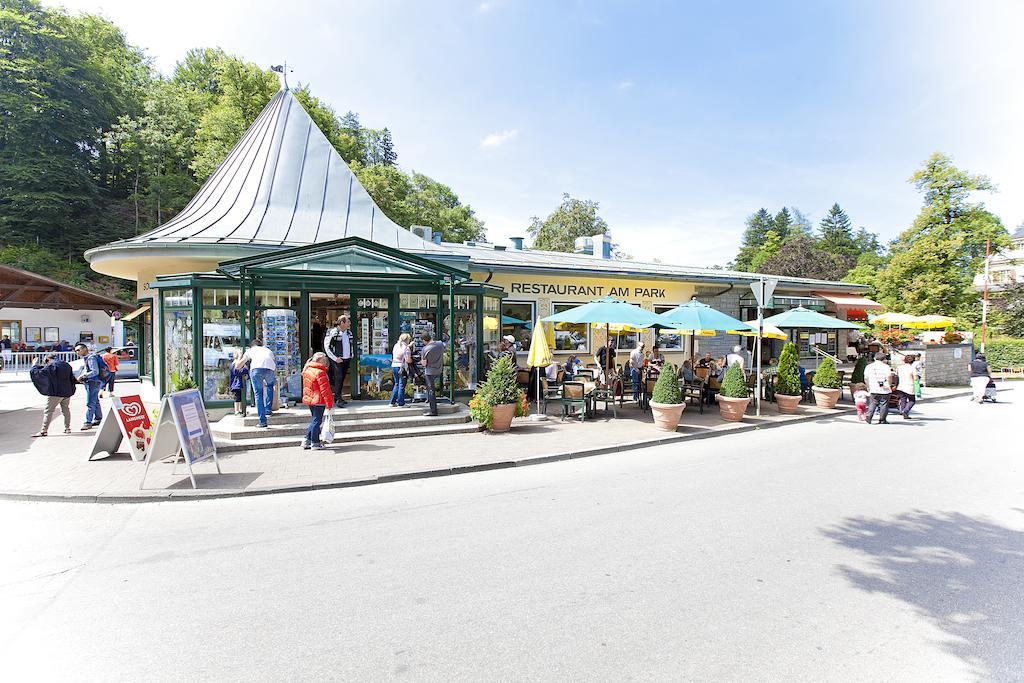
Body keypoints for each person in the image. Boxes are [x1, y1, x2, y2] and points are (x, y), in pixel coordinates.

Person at [31, 353, 76, 437]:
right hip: (67, 392)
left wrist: (34, 365)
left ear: (48, 359)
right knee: (65, 410)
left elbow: (39, 373)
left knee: (48, 411)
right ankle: (67, 428)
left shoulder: (52, 365)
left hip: (55, 393)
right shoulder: (66, 364)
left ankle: (44, 430)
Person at [234, 338, 276, 428]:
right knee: (269, 387)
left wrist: (239, 356)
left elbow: (238, 366)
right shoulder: (267, 350)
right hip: (270, 368)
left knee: (258, 394)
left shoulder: (250, 350)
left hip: (256, 369)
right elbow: (273, 360)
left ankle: (262, 421)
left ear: (252, 345)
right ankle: (268, 409)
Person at [300, 352, 333, 450]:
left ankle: (307, 440)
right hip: (319, 400)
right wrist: (329, 403)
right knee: (316, 421)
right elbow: (325, 389)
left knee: (314, 420)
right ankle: (315, 442)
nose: (325, 361)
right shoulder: (320, 372)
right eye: (324, 360)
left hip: (310, 399)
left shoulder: (307, 370)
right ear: (319, 360)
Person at [73, 342, 105, 430]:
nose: (77, 352)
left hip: (93, 382)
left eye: (78, 350)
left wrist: (83, 376)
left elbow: (95, 371)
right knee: (95, 401)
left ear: (84, 349)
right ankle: (98, 418)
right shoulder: (88, 358)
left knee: (90, 403)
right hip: (92, 382)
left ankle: (88, 422)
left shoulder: (91, 358)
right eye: (76, 351)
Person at [323, 316, 353, 406]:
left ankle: (338, 396)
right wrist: (335, 358)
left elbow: (351, 345)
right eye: (348, 322)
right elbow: (327, 346)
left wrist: (351, 355)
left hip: (346, 358)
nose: (349, 324)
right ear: (342, 323)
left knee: (342, 378)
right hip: (337, 359)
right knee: (338, 378)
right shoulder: (333, 332)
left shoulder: (349, 333)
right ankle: (338, 398)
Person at [863, 352, 893, 424]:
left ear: (874, 358)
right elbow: (889, 376)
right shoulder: (886, 367)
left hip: (873, 387)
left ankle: (869, 416)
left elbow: (866, 378)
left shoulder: (869, 366)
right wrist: (889, 384)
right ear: (884, 359)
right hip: (884, 389)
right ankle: (882, 419)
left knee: (873, 403)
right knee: (884, 404)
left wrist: (868, 386)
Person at [420, 333, 446, 416]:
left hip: (429, 372)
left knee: (431, 390)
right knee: (434, 389)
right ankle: (431, 404)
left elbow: (424, 363)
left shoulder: (425, 349)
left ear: (424, 340)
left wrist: (421, 362)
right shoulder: (440, 344)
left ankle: (433, 411)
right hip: (439, 369)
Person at [389, 333, 413, 407]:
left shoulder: (396, 345)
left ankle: (392, 402)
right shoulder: (406, 348)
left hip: (394, 366)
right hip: (402, 368)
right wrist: (413, 360)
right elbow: (408, 360)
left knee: (396, 384)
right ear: (407, 340)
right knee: (402, 385)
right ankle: (401, 403)